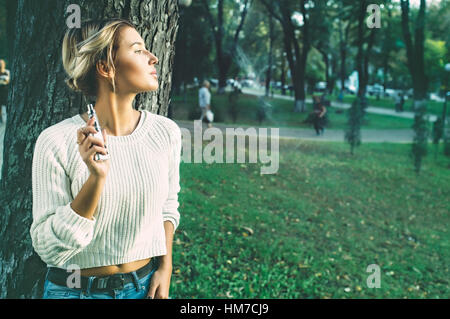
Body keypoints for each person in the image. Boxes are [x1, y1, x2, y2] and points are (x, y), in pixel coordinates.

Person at [30, 18, 182, 299]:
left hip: (143, 287)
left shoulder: (165, 132)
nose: (154, 57)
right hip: (74, 291)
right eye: (138, 50)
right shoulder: (55, 141)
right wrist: (95, 180)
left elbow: (168, 207)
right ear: (105, 67)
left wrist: (166, 266)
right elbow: (48, 247)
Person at [0, 59, 10, 123]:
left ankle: (6, 120)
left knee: (5, 107)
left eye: (1, 64)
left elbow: (7, 81)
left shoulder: (6, 72)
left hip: (5, 93)